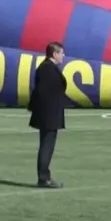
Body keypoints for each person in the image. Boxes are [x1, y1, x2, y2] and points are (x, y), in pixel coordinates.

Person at [28, 42, 68, 189]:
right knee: (46, 146)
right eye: (61, 53)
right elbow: (42, 92)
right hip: (49, 116)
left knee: (47, 146)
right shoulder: (47, 69)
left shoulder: (48, 68)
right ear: (54, 54)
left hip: (49, 114)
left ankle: (45, 176)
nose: (63, 56)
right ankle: (44, 178)